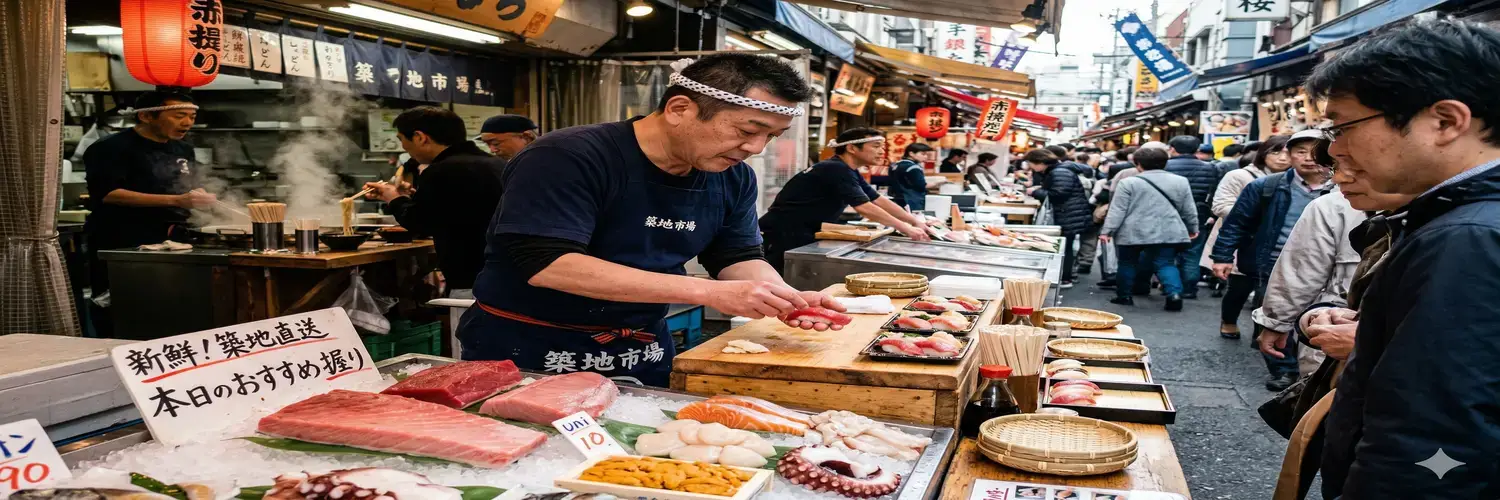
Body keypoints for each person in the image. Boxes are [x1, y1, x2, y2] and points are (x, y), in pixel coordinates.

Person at [456, 53, 843, 386]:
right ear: (679, 109)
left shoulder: (733, 175)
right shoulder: (567, 155)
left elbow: (736, 254)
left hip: (640, 349)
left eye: (771, 137)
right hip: (526, 348)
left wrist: (782, 299)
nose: (755, 149)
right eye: (747, 130)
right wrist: (709, 292)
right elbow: (547, 263)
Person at [1269, 20, 1500, 497]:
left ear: (1444, 121)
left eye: (1343, 126)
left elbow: (1433, 441)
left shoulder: (1468, 237)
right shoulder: (1462, 224)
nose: (1333, 149)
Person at [1253, 141, 1413, 376]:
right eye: (1334, 168)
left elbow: (1301, 271)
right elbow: (1302, 269)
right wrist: (1279, 321)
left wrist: (1276, 323)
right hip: (1334, 332)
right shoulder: (1331, 205)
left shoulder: (1437, 217)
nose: (1339, 178)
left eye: (1350, 166)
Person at [1210, 129, 1334, 391]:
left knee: (1320, 315)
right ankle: (1283, 369)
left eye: (1315, 152)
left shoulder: (1342, 187)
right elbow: (1237, 223)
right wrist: (1222, 256)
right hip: (1274, 261)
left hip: (1327, 264)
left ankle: (1314, 369)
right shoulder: (1266, 186)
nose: (1308, 158)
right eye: (1300, 152)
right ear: (1289, 155)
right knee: (1276, 314)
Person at [83, 91, 217, 327]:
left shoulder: (182, 149)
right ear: (146, 116)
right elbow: (109, 194)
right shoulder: (110, 148)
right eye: (179, 116)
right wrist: (176, 200)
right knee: (126, 308)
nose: (187, 123)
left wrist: (202, 197)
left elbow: (188, 186)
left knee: (170, 307)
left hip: (172, 239)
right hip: (122, 240)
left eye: (191, 116)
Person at [363, 107, 506, 295]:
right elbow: (454, 210)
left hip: (472, 281)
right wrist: (410, 198)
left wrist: (393, 198)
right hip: (505, 274)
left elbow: (420, 223)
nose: (404, 147)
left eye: (402, 139)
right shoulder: (496, 164)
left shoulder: (441, 170)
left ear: (420, 137)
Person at [761, 128, 931, 270]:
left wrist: (915, 222)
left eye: (882, 146)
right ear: (851, 148)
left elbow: (878, 199)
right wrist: (906, 229)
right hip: (782, 233)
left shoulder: (848, 169)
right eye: (876, 146)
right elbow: (864, 207)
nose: (881, 151)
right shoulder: (835, 168)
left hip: (801, 232)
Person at [1204, 135, 1291, 338]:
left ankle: (1262, 331)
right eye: (1275, 152)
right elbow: (1219, 205)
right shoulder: (1239, 176)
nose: (1282, 158)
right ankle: (1229, 320)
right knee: (1239, 287)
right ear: (1264, 153)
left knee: (1271, 290)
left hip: (1279, 243)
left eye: (1287, 153)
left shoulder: (1298, 182)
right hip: (1244, 239)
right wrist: (1253, 213)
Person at [1099, 147, 1196, 309]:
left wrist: (1107, 230)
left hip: (1132, 230)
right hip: (1168, 228)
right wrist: (1193, 227)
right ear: (1165, 163)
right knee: (1165, 263)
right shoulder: (1180, 181)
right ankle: (1174, 294)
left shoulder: (1128, 182)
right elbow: (1189, 209)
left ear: (1137, 164)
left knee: (1127, 263)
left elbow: (1118, 209)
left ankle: (1124, 295)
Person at [1164, 136, 1222, 299]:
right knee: (1193, 252)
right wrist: (1211, 214)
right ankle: (1189, 288)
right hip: (1199, 213)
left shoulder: (1165, 166)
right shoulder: (1210, 168)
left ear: (1173, 149)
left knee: (1167, 252)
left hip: (1169, 212)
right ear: (1196, 149)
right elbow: (1214, 193)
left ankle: (1171, 285)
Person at [1024, 149, 1090, 288]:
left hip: (1067, 214)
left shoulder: (1059, 172)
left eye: (1032, 164)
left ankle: (1065, 278)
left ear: (1041, 163)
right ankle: (1065, 276)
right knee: (1065, 246)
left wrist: (1035, 191)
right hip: (1069, 213)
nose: (1032, 168)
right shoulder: (1060, 170)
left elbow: (1059, 194)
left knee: (1064, 247)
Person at [888, 143, 938, 211]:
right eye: (923, 154)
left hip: (895, 199)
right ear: (911, 153)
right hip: (912, 201)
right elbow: (922, 186)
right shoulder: (913, 167)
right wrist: (940, 182)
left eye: (927, 154)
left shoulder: (895, 165)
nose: (926, 157)